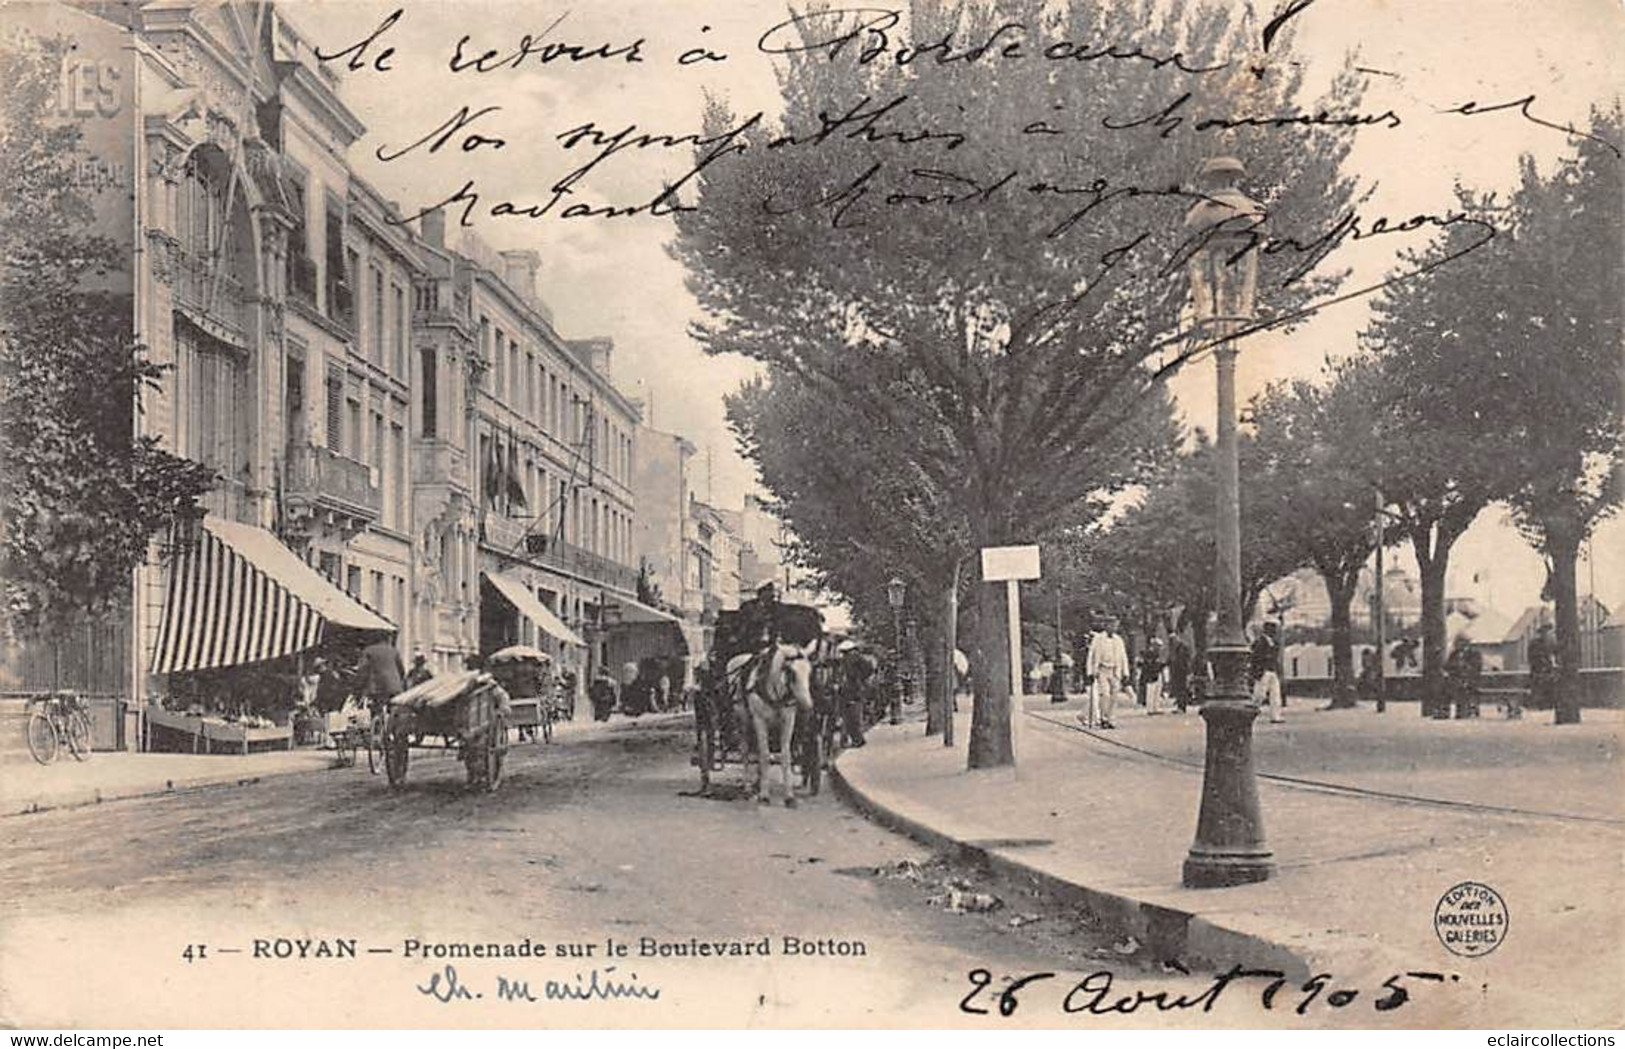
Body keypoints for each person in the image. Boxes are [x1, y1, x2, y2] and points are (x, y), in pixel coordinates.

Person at [1081, 616, 1130, 730]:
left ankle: (1110, 718)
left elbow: (1123, 657)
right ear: (1106, 626)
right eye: (1111, 625)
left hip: (1115, 670)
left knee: (1114, 696)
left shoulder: (1118, 640)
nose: (1114, 628)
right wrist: (1090, 672)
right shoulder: (1098, 639)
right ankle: (1103, 718)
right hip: (1102, 670)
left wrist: (1125, 672)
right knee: (1105, 695)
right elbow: (1091, 656)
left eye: (1115, 626)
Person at [358, 638, 405, 715]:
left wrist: (359, 686)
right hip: (394, 686)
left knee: (376, 709)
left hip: (377, 687)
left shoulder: (368, 651)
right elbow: (401, 670)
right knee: (393, 709)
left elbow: (362, 670)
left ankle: (378, 722)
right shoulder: (393, 650)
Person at [1523, 623, 1558, 720]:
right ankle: (1542, 704)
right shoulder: (1536, 644)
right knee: (1541, 686)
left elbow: (1554, 652)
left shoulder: (1546, 642)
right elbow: (1534, 657)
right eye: (1548, 633)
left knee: (1546, 686)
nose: (1550, 635)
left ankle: (1546, 704)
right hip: (1539, 670)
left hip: (1543, 670)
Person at [1250, 622, 1284, 723]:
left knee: (1275, 694)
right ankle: (1252, 712)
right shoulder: (1260, 642)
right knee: (1260, 694)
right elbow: (1255, 658)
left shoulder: (1274, 642)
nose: (1274, 631)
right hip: (1263, 670)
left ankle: (1275, 716)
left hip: (1272, 670)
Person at [1446, 635, 1483, 719]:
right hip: (1456, 679)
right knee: (1446, 689)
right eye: (1457, 643)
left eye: (1460, 642)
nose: (1457, 645)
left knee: (1462, 689)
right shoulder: (1454, 654)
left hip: (1470, 680)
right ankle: (1444, 712)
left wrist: (1465, 668)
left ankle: (1463, 712)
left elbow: (1476, 667)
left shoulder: (1474, 653)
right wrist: (1455, 668)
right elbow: (1447, 666)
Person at [1141, 636, 1168, 715]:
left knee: (1157, 691)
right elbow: (1148, 665)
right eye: (1158, 646)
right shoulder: (1149, 653)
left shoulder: (1157, 654)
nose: (1159, 648)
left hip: (1157, 674)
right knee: (1151, 692)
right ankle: (1150, 709)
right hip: (1151, 675)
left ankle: (1156, 707)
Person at [1168, 634, 1192, 713]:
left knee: (1181, 689)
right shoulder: (1177, 648)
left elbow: (1185, 660)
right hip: (1178, 671)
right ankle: (1180, 706)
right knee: (1179, 690)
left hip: (1181, 671)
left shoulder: (1182, 648)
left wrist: (1187, 671)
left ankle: (1182, 707)